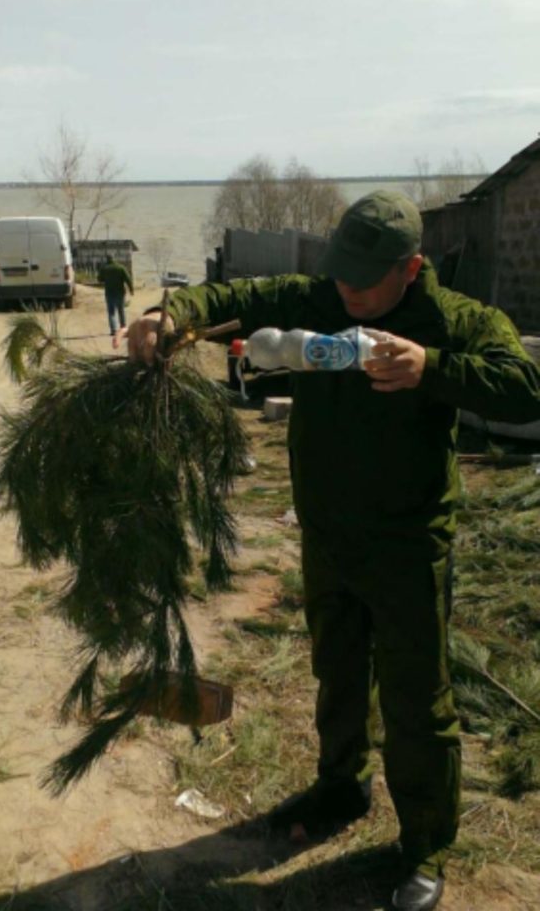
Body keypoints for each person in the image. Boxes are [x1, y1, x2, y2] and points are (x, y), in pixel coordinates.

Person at [120, 191, 540, 911]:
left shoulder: (451, 320)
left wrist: (431, 367)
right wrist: (170, 316)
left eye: (361, 279)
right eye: (339, 274)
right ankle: (339, 788)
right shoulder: (319, 299)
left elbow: (525, 387)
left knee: (416, 702)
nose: (344, 291)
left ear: (409, 268)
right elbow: (238, 295)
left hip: (408, 544)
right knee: (336, 672)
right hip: (327, 536)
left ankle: (424, 847)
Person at [97, 253, 134, 337]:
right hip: (120, 293)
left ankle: (113, 330)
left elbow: (99, 279)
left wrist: (106, 278)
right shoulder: (120, 268)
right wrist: (131, 290)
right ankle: (123, 328)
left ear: (107, 259)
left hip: (109, 293)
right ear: (114, 259)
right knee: (121, 311)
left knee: (111, 313)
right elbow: (128, 279)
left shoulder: (104, 268)